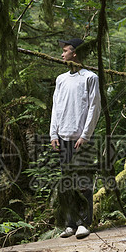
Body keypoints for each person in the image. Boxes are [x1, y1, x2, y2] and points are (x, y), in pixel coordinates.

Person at [49, 37, 100, 239]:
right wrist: (54, 133)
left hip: (81, 139)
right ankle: (70, 223)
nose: (62, 54)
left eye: (65, 50)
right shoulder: (61, 79)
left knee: (84, 182)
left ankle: (84, 223)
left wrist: (86, 135)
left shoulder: (90, 78)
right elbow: (56, 107)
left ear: (75, 53)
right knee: (67, 183)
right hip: (63, 137)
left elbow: (94, 108)